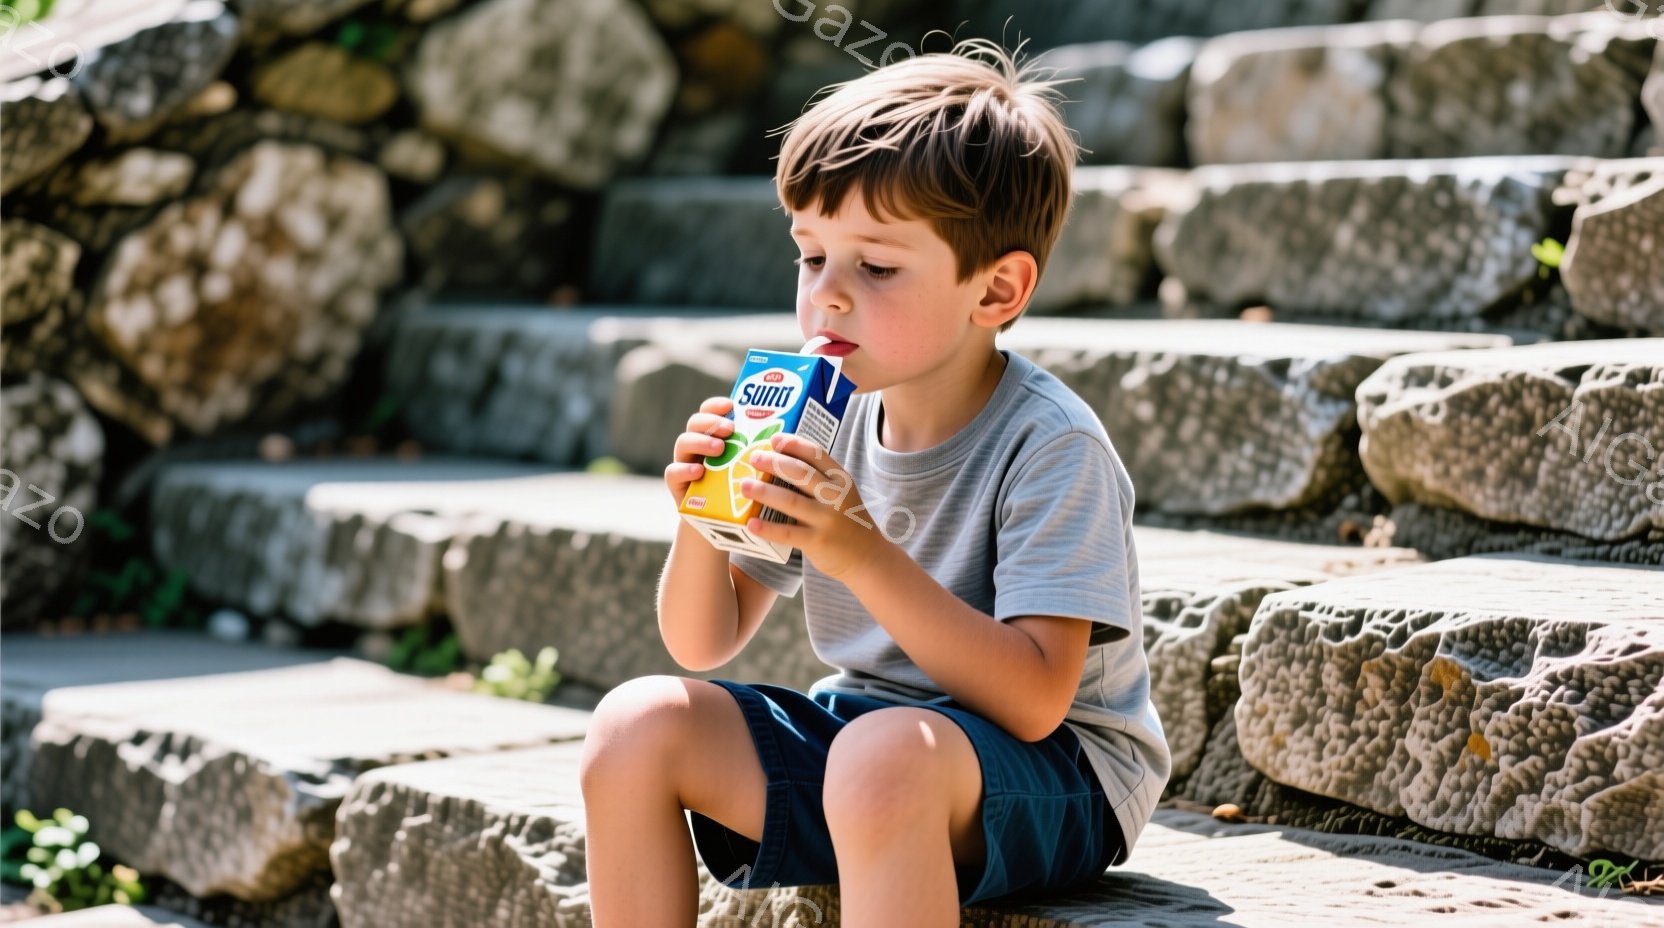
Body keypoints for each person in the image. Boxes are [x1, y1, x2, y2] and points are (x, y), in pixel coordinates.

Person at [579, 36, 1170, 927]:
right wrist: (705, 513)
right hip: (872, 745)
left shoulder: (1051, 445)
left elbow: (1036, 701)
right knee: (636, 725)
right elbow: (704, 642)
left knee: (880, 758)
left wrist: (858, 550)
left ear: (998, 291)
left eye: (878, 267)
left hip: (1058, 780)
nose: (829, 297)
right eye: (811, 257)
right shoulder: (832, 415)